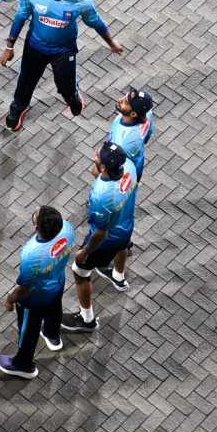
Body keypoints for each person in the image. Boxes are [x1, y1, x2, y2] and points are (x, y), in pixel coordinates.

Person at [0, 0, 124, 131]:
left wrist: (111, 43)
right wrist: (9, 46)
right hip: (35, 47)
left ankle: (73, 98)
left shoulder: (82, 1)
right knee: (25, 82)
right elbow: (21, 16)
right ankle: (18, 108)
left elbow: (96, 23)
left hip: (64, 50)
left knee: (65, 86)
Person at [62, 142, 137, 333]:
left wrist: (84, 252)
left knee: (79, 271)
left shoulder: (101, 196)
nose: (95, 154)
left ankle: (86, 320)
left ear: (103, 167)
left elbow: (100, 233)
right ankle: (118, 277)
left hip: (108, 239)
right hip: (126, 226)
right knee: (122, 246)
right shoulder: (129, 165)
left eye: (98, 156)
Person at [0, 206, 75, 379]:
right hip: (58, 283)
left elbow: (24, 287)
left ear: (36, 228)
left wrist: (10, 299)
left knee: (28, 330)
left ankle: (23, 364)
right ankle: (52, 335)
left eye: (36, 214)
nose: (36, 208)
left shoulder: (31, 254)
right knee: (55, 308)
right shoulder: (68, 229)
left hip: (35, 299)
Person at [99, 87, 153, 290]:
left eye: (126, 102)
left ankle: (118, 275)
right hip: (133, 171)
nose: (121, 99)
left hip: (121, 179)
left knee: (119, 223)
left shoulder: (123, 140)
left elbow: (113, 164)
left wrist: (101, 173)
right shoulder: (146, 114)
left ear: (132, 113)